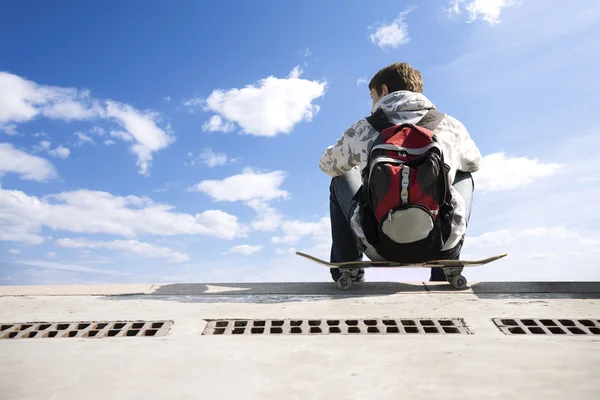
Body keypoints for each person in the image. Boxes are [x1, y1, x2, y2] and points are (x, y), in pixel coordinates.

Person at [319, 62, 482, 283]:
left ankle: (347, 269)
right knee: (464, 175)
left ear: (384, 90)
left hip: (378, 244)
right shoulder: (451, 126)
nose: (372, 105)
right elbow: (474, 163)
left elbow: (327, 165)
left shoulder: (363, 127)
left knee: (341, 176)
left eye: (372, 96)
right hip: (437, 242)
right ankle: (445, 267)